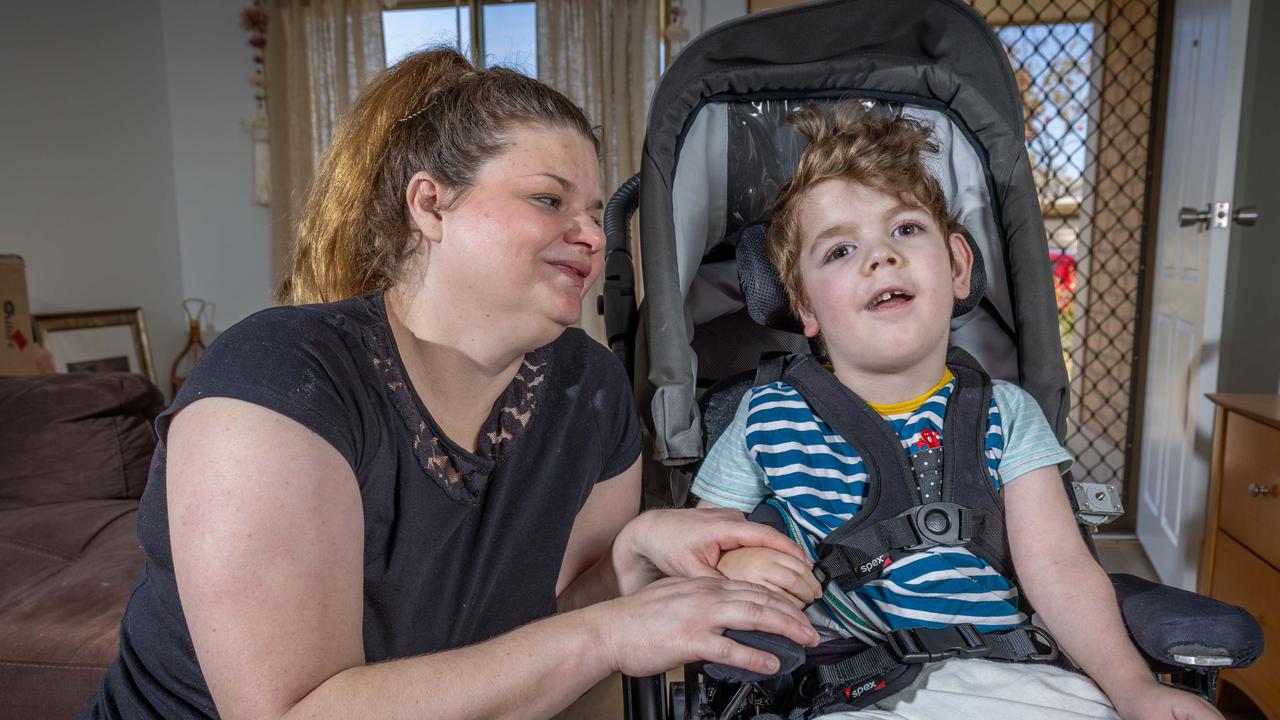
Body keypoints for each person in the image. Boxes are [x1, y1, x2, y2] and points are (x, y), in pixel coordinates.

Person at [80, 48, 820, 720]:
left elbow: (534, 643)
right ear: (429, 205)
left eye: (596, 213)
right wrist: (608, 631)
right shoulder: (276, 382)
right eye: (548, 199)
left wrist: (633, 562)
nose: (593, 235)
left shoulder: (590, 391)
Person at [691, 103, 1221, 720]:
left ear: (959, 267)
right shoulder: (766, 418)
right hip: (848, 684)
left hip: (1011, 676)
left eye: (906, 230)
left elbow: (1059, 567)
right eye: (839, 250)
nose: (880, 256)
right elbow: (698, 544)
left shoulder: (1007, 414)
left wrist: (1135, 688)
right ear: (804, 307)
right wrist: (735, 558)